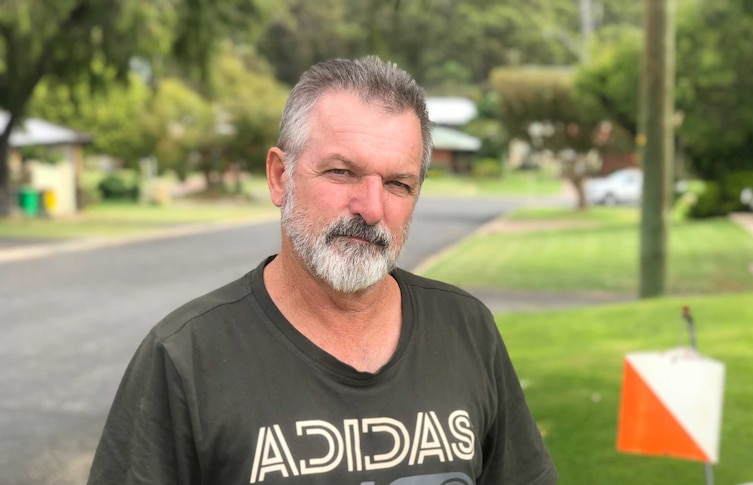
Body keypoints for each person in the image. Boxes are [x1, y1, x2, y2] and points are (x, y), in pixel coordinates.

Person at [87, 56, 557, 485]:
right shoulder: (186, 356)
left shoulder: (465, 329)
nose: (371, 208)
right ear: (279, 176)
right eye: (342, 172)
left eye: (398, 183)